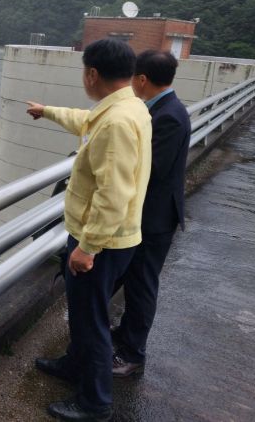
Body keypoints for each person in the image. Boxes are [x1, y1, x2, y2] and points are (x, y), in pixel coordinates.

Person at [26, 38, 152, 422]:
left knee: (91, 320)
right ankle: (73, 366)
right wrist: (46, 111)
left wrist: (87, 247)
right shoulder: (129, 107)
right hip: (110, 237)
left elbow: (113, 193)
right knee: (83, 313)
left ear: (92, 73)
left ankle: (94, 403)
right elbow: (84, 122)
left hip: (102, 241)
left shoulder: (116, 122)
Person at [111, 50, 191, 377]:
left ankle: (132, 354)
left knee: (142, 285)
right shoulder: (163, 109)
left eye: (134, 78)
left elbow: (153, 168)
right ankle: (125, 336)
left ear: (142, 79)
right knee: (134, 280)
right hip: (150, 214)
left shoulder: (168, 115)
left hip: (155, 218)